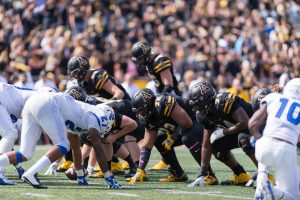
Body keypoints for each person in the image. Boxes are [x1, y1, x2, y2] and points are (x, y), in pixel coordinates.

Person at [0, 92, 121, 189]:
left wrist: (80, 176)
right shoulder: (96, 116)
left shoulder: (81, 115)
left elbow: (75, 149)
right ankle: (30, 173)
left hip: (33, 101)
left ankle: (29, 174)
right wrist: (108, 177)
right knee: (63, 145)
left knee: (25, 153)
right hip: (47, 102)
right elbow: (98, 149)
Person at [129, 88, 216, 184]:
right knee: (158, 140)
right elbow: (147, 145)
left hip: (197, 121)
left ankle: (209, 174)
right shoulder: (148, 116)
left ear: (148, 104)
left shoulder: (163, 103)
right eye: (138, 112)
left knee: (187, 138)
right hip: (180, 127)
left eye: (142, 110)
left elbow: (187, 123)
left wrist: (173, 137)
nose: (140, 115)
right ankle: (178, 173)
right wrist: (140, 169)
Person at [65, 85, 143, 177]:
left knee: (113, 138)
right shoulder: (88, 107)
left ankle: (137, 168)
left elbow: (132, 124)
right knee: (105, 139)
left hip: (133, 117)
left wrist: (115, 136)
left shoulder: (92, 109)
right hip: (116, 116)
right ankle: (109, 169)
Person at [188, 81, 256, 186]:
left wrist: (224, 131)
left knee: (244, 139)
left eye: (199, 104)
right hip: (239, 129)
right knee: (214, 145)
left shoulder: (224, 101)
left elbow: (245, 123)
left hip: (255, 126)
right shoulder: (202, 115)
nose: (197, 108)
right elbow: (206, 145)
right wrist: (202, 173)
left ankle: (266, 174)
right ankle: (241, 175)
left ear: (207, 100)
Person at [132, 41, 180, 170]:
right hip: (163, 97)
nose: (140, 61)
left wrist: (160, 99)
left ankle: (168, 161)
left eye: (141, 58)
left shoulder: (159, 61)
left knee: (166, 131)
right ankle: (167, 161)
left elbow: (168, 85)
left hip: (170, 98)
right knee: (160, 134)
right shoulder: (150, 63)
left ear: (147, 54)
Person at [249, 78, 300, 200]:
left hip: (264, 146)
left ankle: (261, 185)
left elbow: (252, 124)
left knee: (264, 145)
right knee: (292, 195)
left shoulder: (273, 97)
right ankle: (270, 189)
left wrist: (257, 140)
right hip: (285, 149)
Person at [0, 83, 38, 185]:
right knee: (10, 134)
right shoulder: (42, 98)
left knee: (8, 135)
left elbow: (6, 145)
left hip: (2, 100)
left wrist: (19, 169)